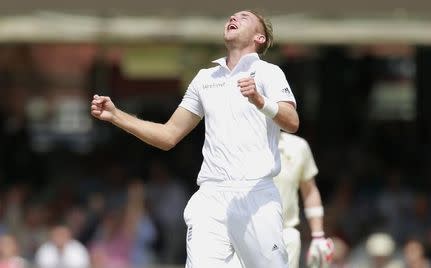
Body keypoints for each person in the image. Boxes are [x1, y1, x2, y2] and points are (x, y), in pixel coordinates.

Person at [91, 9, 299, 268]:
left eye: (244, 17)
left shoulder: (269, 73)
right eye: (231, 17)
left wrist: (260, 101)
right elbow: (168, 135)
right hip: (211, 196)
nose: (233, 19)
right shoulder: (204, 79)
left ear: (260, 38)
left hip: (255, 193)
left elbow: (292, 122)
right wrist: (116, 115)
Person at [274, 132, 334, 268]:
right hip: (242, 233)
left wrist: (318, 236)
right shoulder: (234, 141)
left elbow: (310, 190)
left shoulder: (298, 146)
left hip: (285, 233)